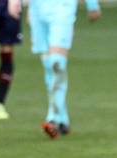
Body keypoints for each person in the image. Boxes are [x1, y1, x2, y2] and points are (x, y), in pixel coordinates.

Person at [28, 0, 101, 138]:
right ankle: (62, 120)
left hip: (62, 7)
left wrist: (92, 5)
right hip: (37, 9)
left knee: (57, 63)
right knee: (48, 65)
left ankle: (52, 118)